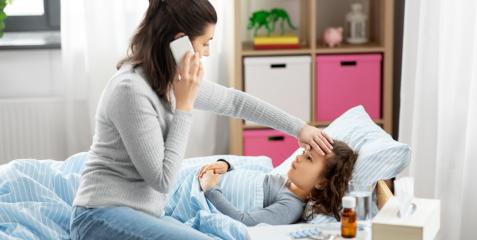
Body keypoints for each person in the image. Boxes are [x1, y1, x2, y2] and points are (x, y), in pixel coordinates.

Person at [70, 0, 333, 239]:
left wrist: (299, 127)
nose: (207, 52)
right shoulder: (131, 90)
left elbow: (235, 101)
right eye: (205, 42)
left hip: (140, 215)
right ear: (179, 41)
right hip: (99, 215)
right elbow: (162, 180)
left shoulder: (170, 80)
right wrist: (184, 106)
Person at [198, 140, 358, 226]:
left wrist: (211, 189)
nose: (299, 157)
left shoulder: (291, 206)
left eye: (309, 158)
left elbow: (244, 221)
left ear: (321, 183)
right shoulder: (280, 178)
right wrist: (226, 165)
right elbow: (246, 174)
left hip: (202, 193)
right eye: (304, 152)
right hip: (207, 176)